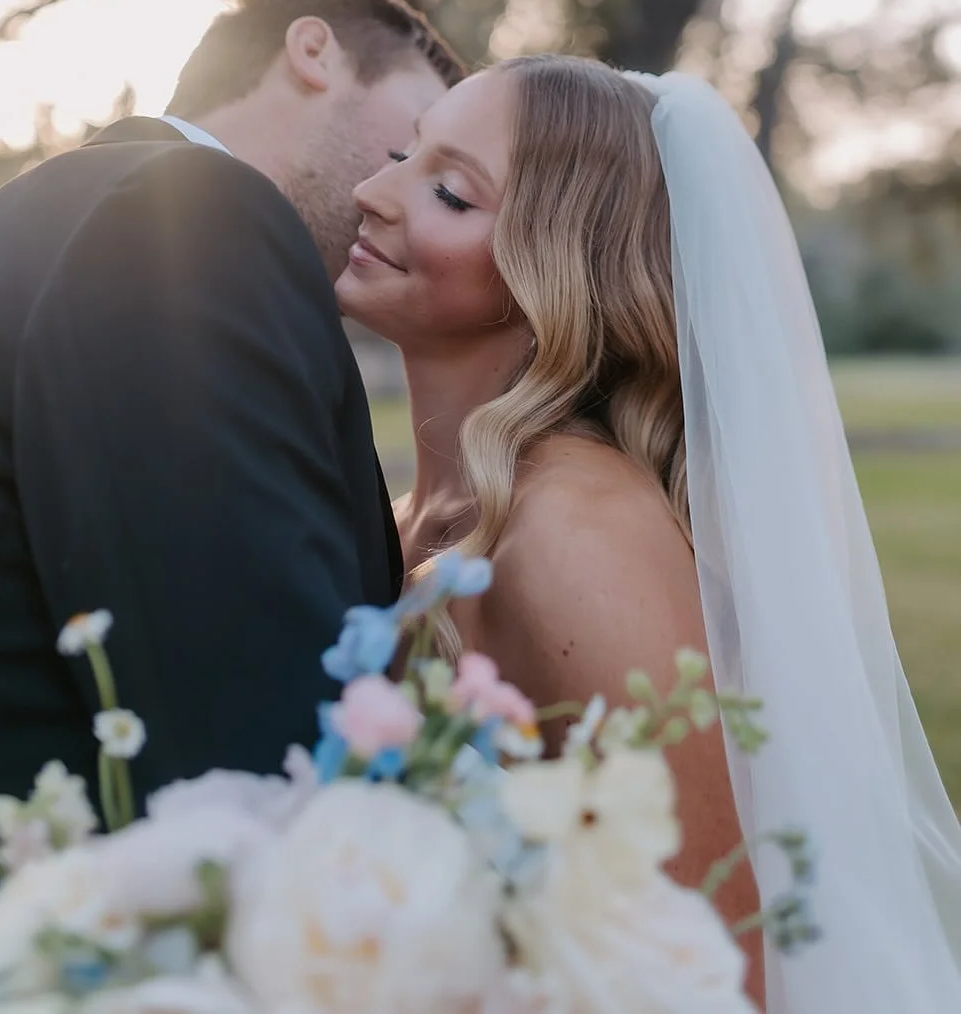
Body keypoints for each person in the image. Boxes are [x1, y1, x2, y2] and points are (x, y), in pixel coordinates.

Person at [336, 55, 961, 1014]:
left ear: (551, 269)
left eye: (449, 191)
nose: (371, 194)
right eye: (399, 155)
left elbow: (721, 965)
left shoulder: (574, 533)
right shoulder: (401, 523)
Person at [0, 0, 465, 932]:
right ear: (313, 51)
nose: (390, 190)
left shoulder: (91, 201)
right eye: (412, 143)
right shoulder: (191, 215)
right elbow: (250, 732)